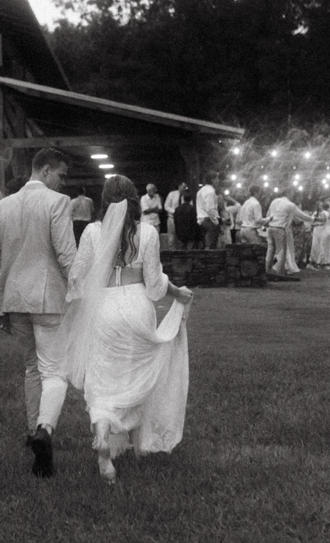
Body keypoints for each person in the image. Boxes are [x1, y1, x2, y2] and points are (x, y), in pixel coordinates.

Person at [61, 175, 194, 484]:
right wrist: (176, 291)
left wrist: (84, 298)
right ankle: (133, 441)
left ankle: (104, 437)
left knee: (104, 377)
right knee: (134, 373)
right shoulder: (147, 232)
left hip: (104, 309)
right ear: (134, 199)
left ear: (105, 200)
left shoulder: (93, 233)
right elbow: (155, 283)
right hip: (136, 307)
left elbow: (77, 276)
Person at [0, 148, 76, 478]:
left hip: (13, 298)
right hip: (48, 297)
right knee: (55, 371)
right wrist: (80, 293)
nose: (64, 183)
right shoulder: (56, 202)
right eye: (62, 175)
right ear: (47, 170)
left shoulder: (1, 207)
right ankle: (44, 431)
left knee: (31, 367)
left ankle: (31, 432)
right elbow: (68, 255)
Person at [265, 188, 313, 275]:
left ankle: (266, 270)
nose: (293, 195)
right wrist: (312, 218)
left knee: (270, 251)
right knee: (281, 253)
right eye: (292, 193)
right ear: (288, 193)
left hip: (271, 227)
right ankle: (278, 273)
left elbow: (268, 214)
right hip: (280, 228)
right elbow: (302, 216)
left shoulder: (274, 201)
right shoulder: (290, 205)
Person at [309, 201, 330, 269]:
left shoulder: (324, 213)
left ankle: (322, 262)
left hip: (325, 230)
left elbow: (323, 220)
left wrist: (315, 219)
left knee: (324, 247)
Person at [196, 173, 220, 249]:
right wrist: (216, 221)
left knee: (205, 245)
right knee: (211, 247)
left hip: (201, 220)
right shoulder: (210, 191)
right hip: (209, 220)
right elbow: (210, 209)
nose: (218, 180)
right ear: (212, 180)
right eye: (217, 178)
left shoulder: (200, 191)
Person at [162, 182, 187, 249]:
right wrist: (175, 212)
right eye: (183, 187)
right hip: (172, 218)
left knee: (181, 239)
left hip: (182, 220)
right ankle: (172, 255)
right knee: (171, 239)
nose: (184, 189)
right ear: (179, 186)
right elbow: (166, 206)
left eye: (185, 187)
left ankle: (180, 256)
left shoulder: (186, 195)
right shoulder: (172, 194)